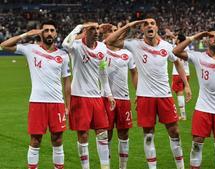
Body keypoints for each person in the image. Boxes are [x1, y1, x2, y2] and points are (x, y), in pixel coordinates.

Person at [105, 18, 192, 169]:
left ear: (157, 27)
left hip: (165, 95)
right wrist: (129, 25)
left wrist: (186, 85)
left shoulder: (166, 46)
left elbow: (177, 62)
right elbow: (110, 41)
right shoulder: (135, 44)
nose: (150, 26)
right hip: (145, 96)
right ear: (142, 29)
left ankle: (181, 167)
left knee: (174, 131)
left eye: (152, 23)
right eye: (146, 24)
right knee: (148, 135)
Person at [0, 20, 71, 169]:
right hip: (37, 102)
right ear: (41, 33)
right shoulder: (30, 49)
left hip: (57, 103)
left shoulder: (63, 56)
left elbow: (67, 82)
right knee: (35, 141)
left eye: (52, 30)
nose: (49, 33)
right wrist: (25, 34)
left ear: (56, 33)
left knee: (57, 140)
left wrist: (68, 106)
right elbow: (4, 45)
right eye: (46, 30)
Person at [173, 29, 215, 169]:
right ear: (206, 40)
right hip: (202, 108)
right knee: (196, 145)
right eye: (211, 37)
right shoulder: (198, 57)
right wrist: (194, 36)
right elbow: (176, 51)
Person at [62, 22, 115, 169]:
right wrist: (78, 26)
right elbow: (65, 44)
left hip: (96, 97)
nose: (96, 31)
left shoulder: (102, 48)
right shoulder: (76, 46)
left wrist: (109, 94)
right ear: (85, 31)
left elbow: (103, 72)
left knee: (102, 133)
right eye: (92, 29)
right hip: (79, 96)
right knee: (83, 135)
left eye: (97, 28)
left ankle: (105, 167)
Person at [102, 25, 138, 169]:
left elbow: (134, 72)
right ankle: (107, 166)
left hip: (124, 99)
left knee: (123, 133)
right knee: (107, 133)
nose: (115, 34)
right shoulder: (101, 51)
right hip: (105, 98)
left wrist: (138, 92)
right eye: (110, 31)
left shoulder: (127, 54)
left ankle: (123, 167)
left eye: (116, 30)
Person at [171, 33, 190, 120]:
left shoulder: (175, 48)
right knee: (181, 92)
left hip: (177, 73)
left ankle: (183, 115)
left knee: (179, 93)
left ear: (178, 40)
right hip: (187, 73)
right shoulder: (187, 48)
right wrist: (172, 35)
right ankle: (183, 114)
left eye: (176, 38)